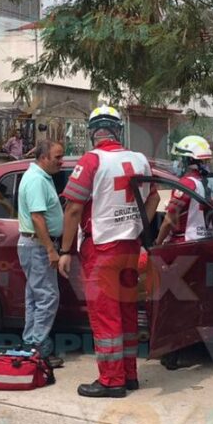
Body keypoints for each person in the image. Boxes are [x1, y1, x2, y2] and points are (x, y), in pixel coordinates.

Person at [58, 105, 160, 398]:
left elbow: (74, 208)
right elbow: (153, 199)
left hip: (101, 248)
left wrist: (64, 250)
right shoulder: (140, 160)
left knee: (106, 316)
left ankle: (111, 381)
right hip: (131, 246)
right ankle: (129, 375)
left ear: (93, 133)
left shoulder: (92, 160)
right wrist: (138, 227)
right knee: (127, 312)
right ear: (119, 130)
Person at [17, 139, 67, 368]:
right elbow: (37, 217)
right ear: (44, 157)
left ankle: (32, 343)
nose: (61, 161)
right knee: (47, 297)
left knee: (36, 297)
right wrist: (50, 249)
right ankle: (37, 346)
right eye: (57, 157)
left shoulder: (40, 177)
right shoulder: (37, 180)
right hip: (37, 246)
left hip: (34, 245)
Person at [155, 135, 213, 245]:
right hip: (205, 240)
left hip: (184, 242)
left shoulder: (187, 183)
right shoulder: (205, 182)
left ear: (188, 160)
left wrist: (157, 243)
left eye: (180, 158)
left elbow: (169, 221)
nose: (178, 163)